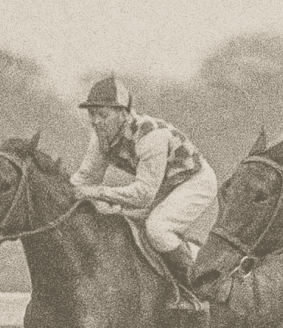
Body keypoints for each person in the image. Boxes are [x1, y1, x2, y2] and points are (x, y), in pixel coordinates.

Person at [69, 76, 217, 309]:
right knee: (119, 221)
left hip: (194, 181)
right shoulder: (100, 139)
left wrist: (96, 192)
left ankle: (197, 292)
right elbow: (83, 179)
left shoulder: (151, 136)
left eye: (103, 115)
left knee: (158, 229)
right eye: (92, 114)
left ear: (124, 114)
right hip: (162, 186)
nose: (96, 122)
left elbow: (143, 194)